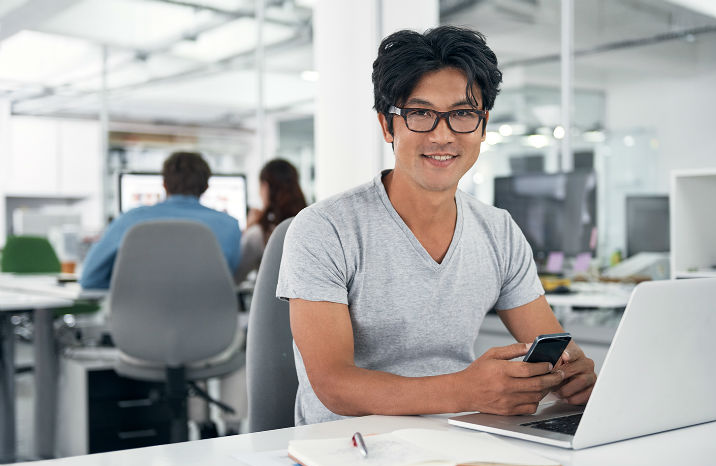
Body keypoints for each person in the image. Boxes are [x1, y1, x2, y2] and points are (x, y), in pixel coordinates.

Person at [276, 26, 597, 426]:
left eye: (462, 114)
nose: (442, 135)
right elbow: (334, 384)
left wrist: (569, 374)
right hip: (351, 449)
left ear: (482, 126)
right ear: (387, 125)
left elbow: (550, 347)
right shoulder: (324, 229)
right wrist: (466, 390)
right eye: (421, 113)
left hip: (464, 437)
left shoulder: (498, 229)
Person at [80, 151, 241, 289]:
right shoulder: (230, 226)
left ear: (164, 184)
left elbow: (89, 279)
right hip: (210, 322)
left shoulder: (130, 220)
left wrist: (131, 288)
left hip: (137, 321)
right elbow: (225, 280)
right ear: (206, 187)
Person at [234, 158, 307, 284]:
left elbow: (236, 277)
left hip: (268, 303)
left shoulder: (259, 233)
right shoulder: (310, 224)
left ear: (265, 186)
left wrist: (248, 229)